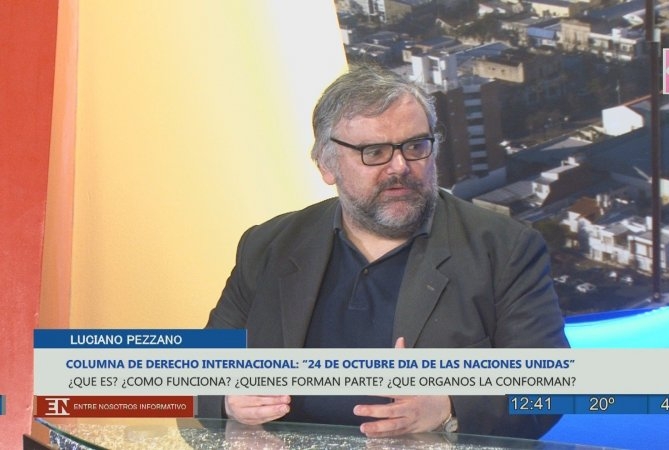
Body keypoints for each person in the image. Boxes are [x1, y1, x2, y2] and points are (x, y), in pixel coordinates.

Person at [198, 64, 570, 440]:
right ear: (327, 164)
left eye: (415, 146)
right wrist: (227, 399)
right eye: (374, 152)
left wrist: (449, 406)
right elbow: (195, 373)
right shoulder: (269, 245)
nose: (400, 167)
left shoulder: (506, 249)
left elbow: (553, 387)